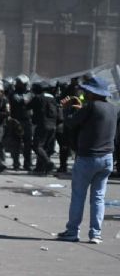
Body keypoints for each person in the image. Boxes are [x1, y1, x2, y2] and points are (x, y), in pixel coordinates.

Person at [56, 77, 118, 244]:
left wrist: (66, 109)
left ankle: (72, 231)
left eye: (86, 91)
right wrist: (79, 109)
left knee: (78, 196)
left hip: (88, 158)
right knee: (98, 197)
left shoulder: (91, 106)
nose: (84, 93)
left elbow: (70, 123)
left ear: (92, 93)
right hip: (107, 158)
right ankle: (95, 234)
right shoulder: (113, 109)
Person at [28, 81, 61, 175]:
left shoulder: (38, 97)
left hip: (42, 125)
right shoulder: (53, 98)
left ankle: (48, 163)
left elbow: (27, 106)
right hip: (53, 126)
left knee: (37, 146)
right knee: (45, 147)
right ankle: (40, 167)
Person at [8, 75, 34, 171]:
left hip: (27, 121)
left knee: (28, 144)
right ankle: (16, 163)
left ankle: (27, 164)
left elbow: (29, 101)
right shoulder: (13, 94)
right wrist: (26, 99)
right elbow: (18, 100)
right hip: (16, 120)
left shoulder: (29, 93)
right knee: (16, 144)